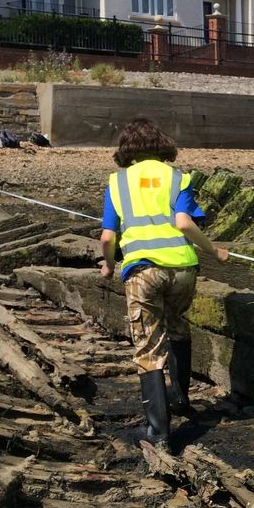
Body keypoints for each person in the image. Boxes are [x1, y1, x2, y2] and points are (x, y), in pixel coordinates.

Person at [99, 117, 228, 451]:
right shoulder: (177, 177)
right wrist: (214, 250)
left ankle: (159, 432)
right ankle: (181, 399)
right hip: (183, 269)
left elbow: (108, 236)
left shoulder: (118, 182)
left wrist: (109, 265)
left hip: (143, 270)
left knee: (147, 348)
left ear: (126, 149)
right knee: (177, 327)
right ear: (160, 143)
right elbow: (184, 223)